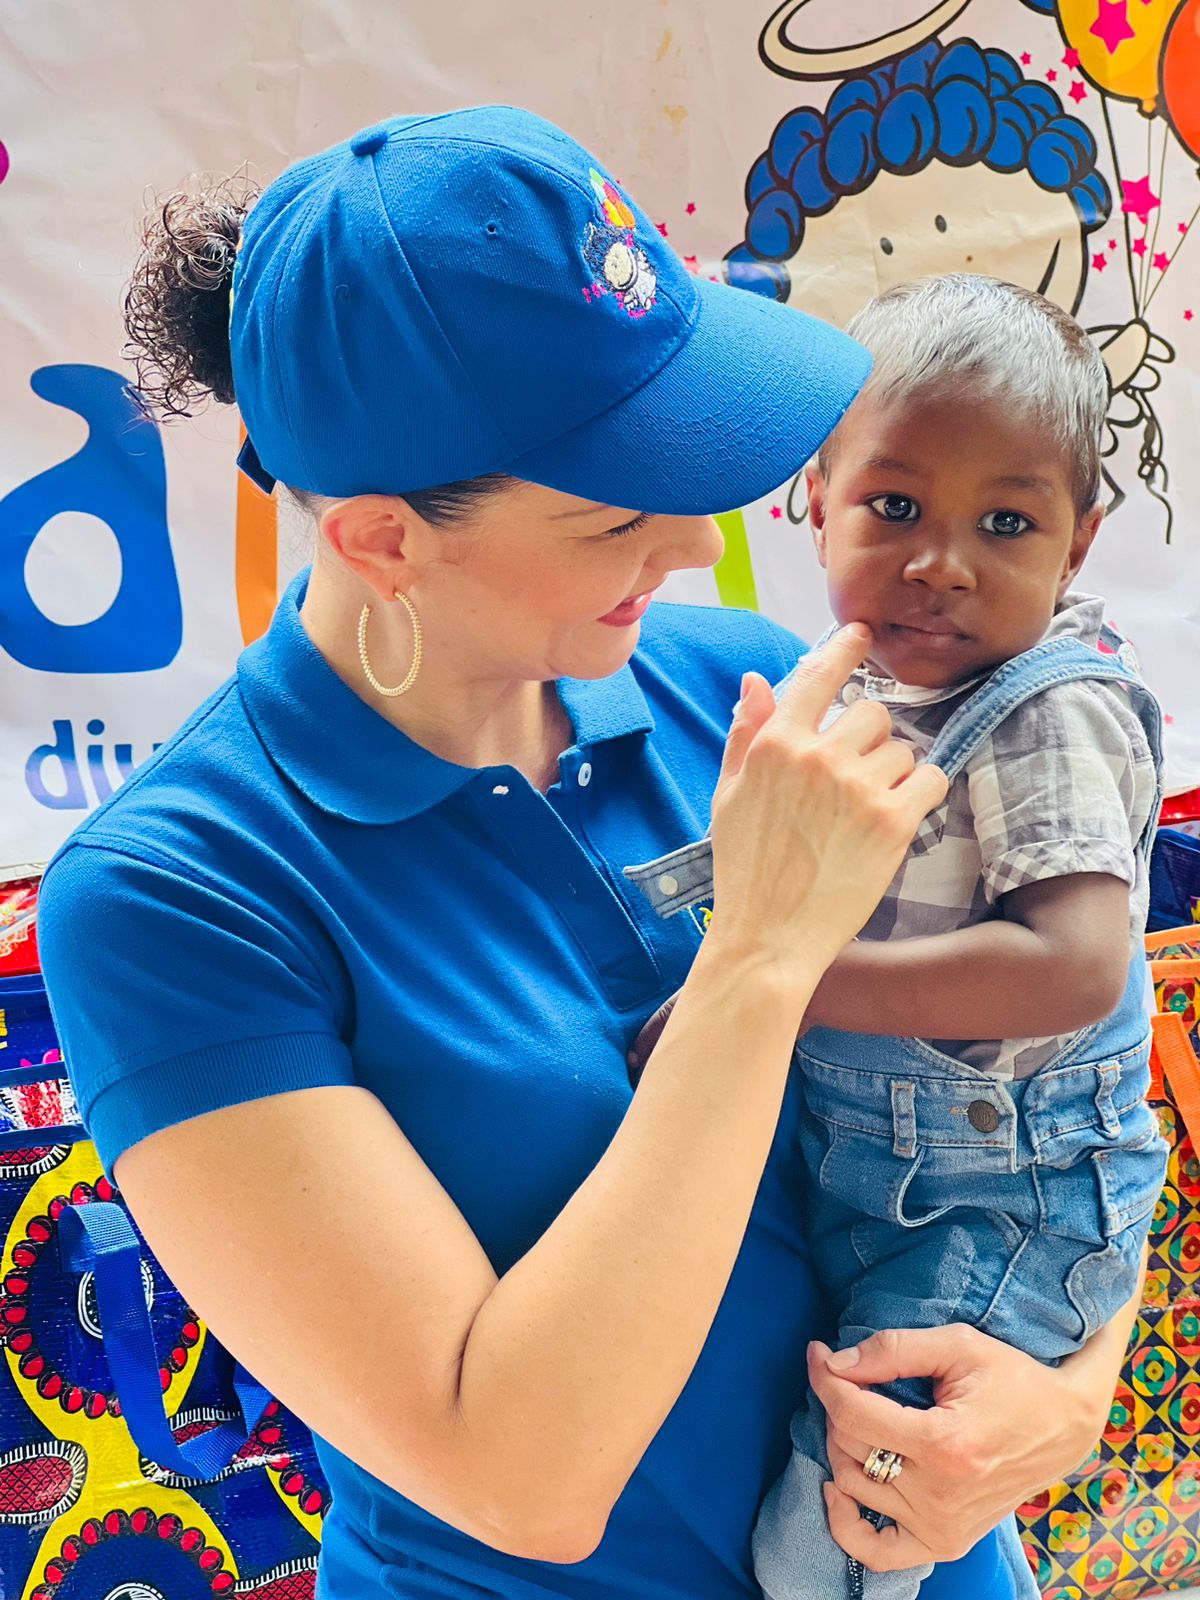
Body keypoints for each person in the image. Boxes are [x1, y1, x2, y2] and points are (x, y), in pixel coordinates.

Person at [36, 110, 1141, 1600]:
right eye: (617, 512)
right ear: (380, 541)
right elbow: (521, 1479)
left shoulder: (746, 686)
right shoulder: (179, 897)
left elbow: (1053, 1082)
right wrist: (758, 960)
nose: (692, 543)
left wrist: (1064, 1400)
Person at [625, 276, 1165, 1600]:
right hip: (884, 1178)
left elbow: (1073, 967)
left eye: (1005, 522)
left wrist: (781, 984)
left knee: (844, 1520)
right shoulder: (853, 688)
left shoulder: (1047, 710)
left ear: (1078, 546)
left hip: (1002, 1201)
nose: (943, 563)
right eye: (896, 507)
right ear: (816, 499)